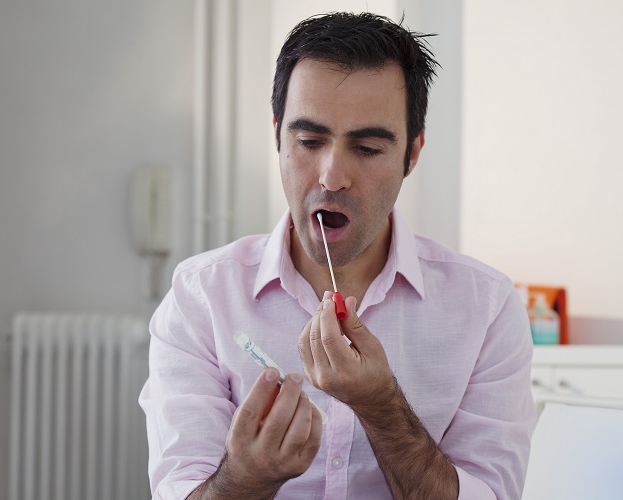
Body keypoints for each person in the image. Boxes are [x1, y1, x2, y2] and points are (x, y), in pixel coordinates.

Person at [140, 12, 535, 500]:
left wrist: (381, 406)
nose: (331, 177)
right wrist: (247, 477)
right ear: (278, 136)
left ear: (412, 153)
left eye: (367, 148)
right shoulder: (201, 297)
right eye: (308, 141)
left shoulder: (487, 308)